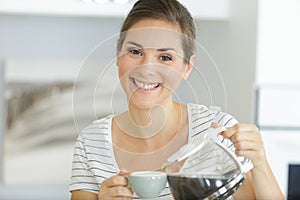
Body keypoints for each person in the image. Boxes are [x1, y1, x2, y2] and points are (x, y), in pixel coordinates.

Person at [70, 0, 284, 199]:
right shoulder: (92, 142)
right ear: (118, 52)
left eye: (165, 57)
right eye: (135, 51)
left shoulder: (218, 134)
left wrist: (260, 162)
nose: (147, 68)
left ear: (187, 67)